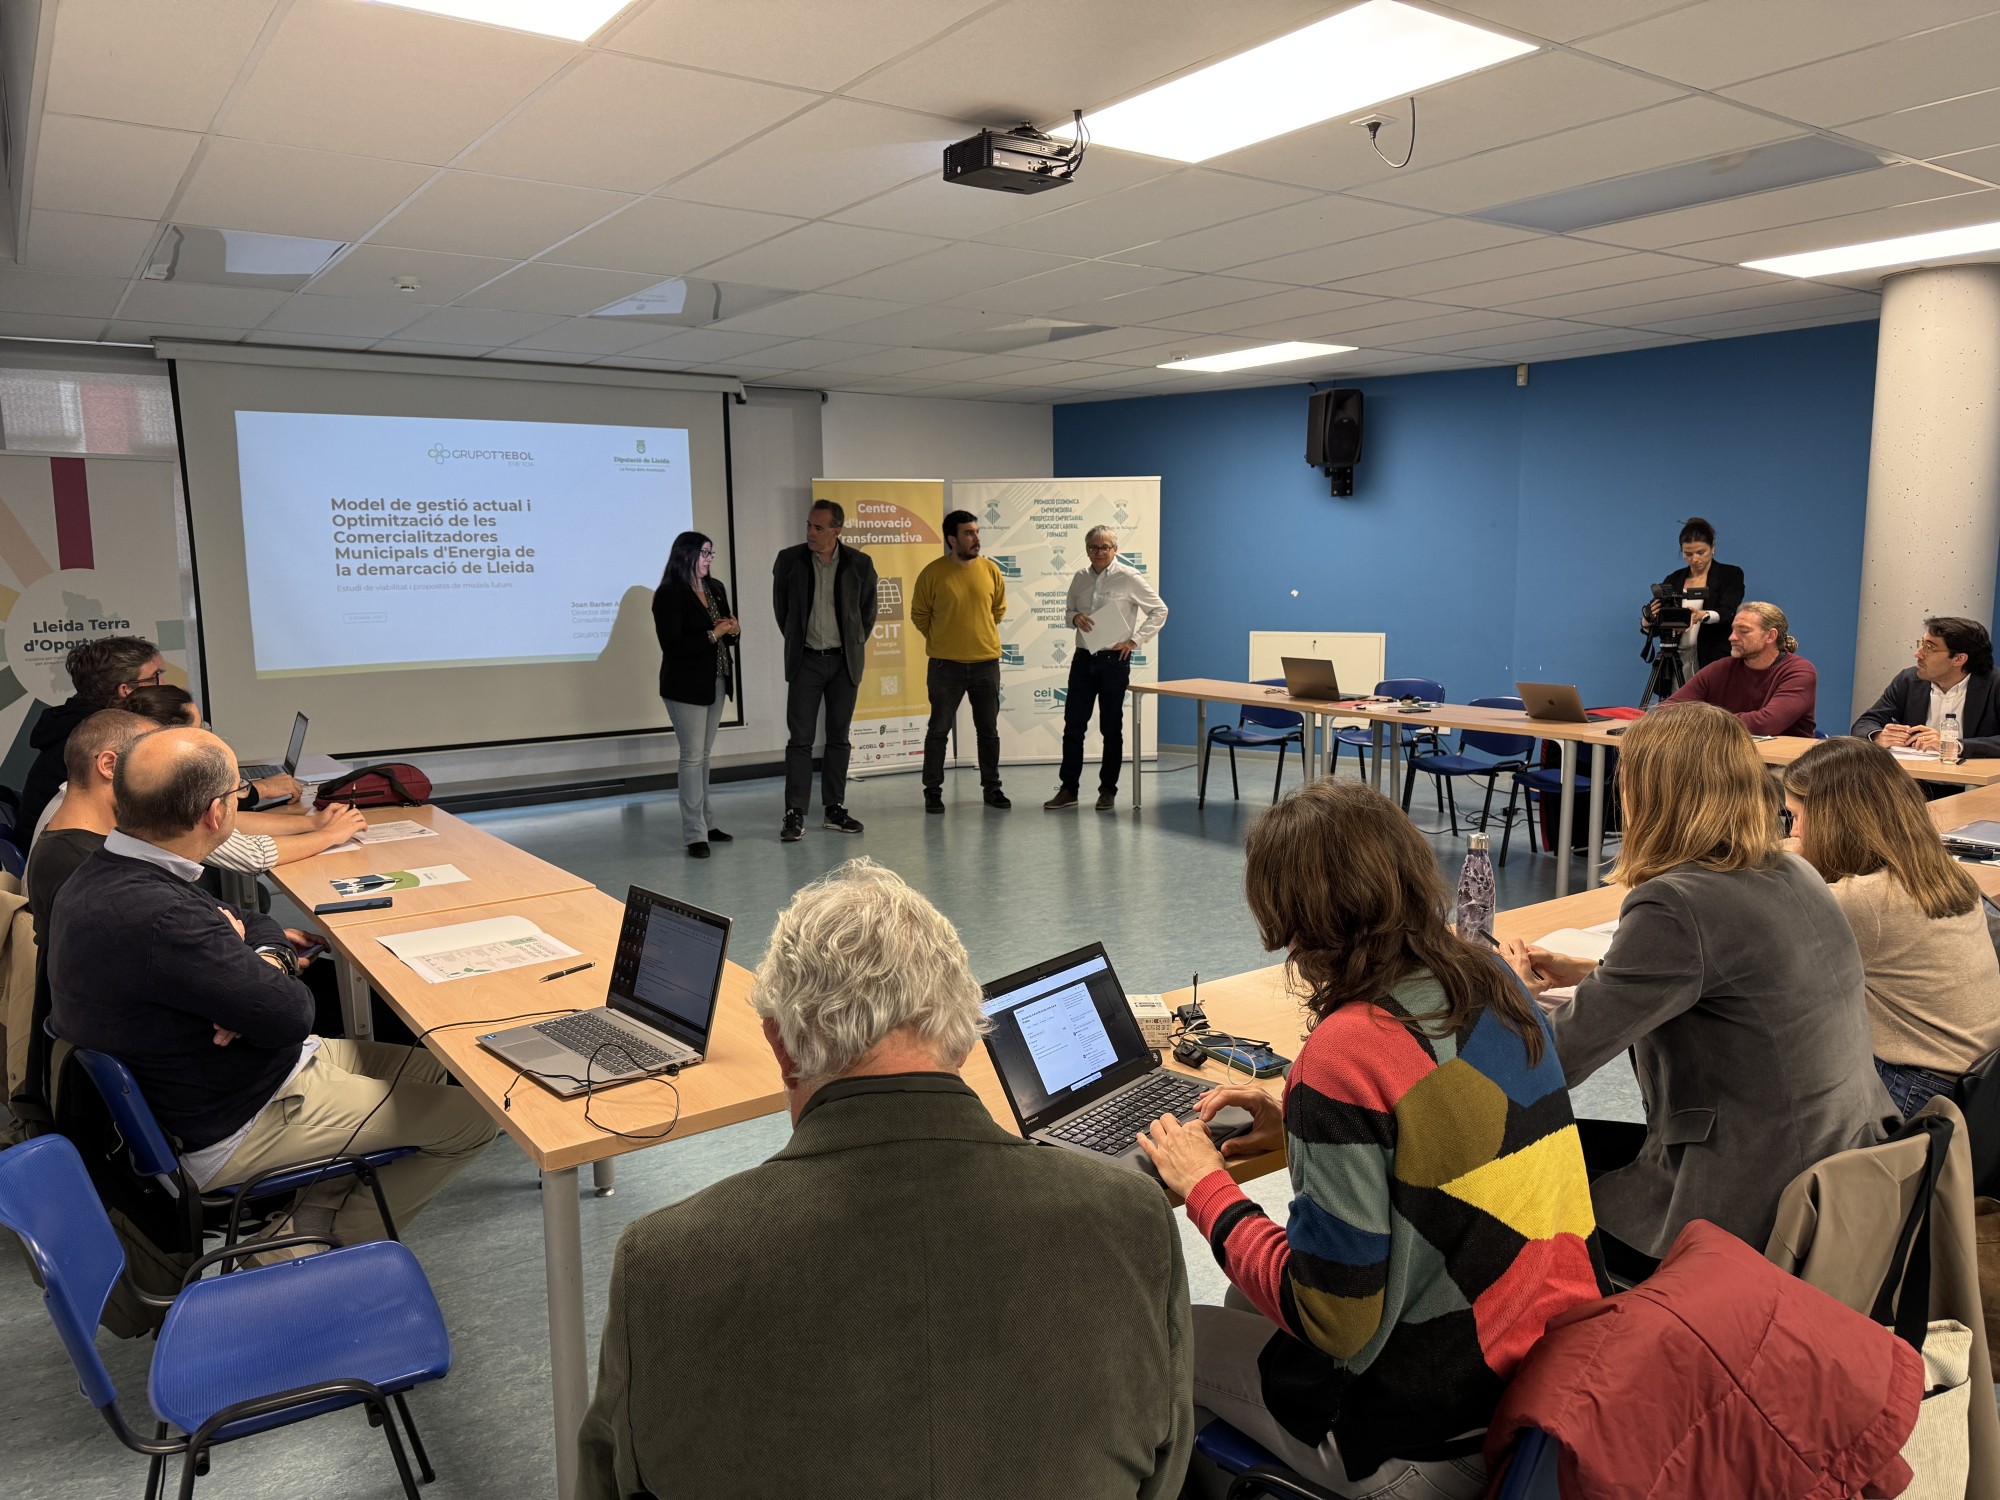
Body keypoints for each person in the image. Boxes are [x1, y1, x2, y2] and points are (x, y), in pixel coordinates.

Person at [577, 858, 1193, 1499]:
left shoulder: (662, 1262)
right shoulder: (1132, 1217)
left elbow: (609, 1480)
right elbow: (1164, 1471)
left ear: (781, 1045)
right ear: (964, 1034)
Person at [1138, 778, 1600, 1499]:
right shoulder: (1492, 977)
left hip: (1429, 1430)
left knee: (1157, 1343)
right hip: (1540, 1381)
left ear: (1290, 917)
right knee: (1240, 1302)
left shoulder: (1343, 1055)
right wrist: (1302, 1125)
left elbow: (1333, 1319)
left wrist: (1207, 1190)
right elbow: (1440, 1139)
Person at [47, 726, 496, 1249]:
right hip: (240, 1117)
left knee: (442, 1071)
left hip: (237, 1075)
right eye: (238, 792)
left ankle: (318, 1203)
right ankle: (321, 1252)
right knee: (474, 1120)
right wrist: (259, 969)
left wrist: (260, 957)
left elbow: (253, 922)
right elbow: (291, 1014)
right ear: (216, 813)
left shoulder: (114, 868)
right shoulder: (163, 914)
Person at [1500, 704, 1890, 1278]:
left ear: (1651, 794)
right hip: (1835, 1170)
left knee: (1503, 1176)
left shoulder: (1676, 903)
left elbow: (1552, 1062)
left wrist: (1508, 989)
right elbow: (1724, 982)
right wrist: (1590, 972)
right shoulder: (1792, 870)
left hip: (1744, 1202)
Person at [1781, 736, 2000, 1116]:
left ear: (1835, 821)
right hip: (1978, 1083)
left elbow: (1768, 908)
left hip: (1917, 1088)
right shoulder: (1939, 872)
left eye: (1797, 817)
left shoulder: (1864, 900)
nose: (1793, 833)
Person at [11, 708, 151, 1131]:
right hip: (127, 1078)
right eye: (152, 761)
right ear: (109, 765)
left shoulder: (71, 842)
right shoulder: (86, 868)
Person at [79, 683, 367, 869]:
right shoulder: (160, 788)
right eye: (198, 730)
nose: (205, 736)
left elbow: (229, 821)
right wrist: (330, 835)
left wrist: (313, 823)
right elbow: (252, 855)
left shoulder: (132, 777)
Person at [772, 498, 879, 843]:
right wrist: (800, 644)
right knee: (800, 740)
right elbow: (783, 612)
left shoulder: (859, 564)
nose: (810, 532)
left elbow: (867, 614)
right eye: (808, 525)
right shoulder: (789, 560)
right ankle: (794, 812)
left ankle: (834, 808)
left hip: (844, 663)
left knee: (838, 737)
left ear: (837, 530)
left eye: (818, 527)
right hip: (806, 661)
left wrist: (851, 645)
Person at [1046, 526, 1167, 812]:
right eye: (1093, 547)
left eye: (1105, 547)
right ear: (1087, 549)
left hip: (1114, 662)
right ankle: (1068, 789)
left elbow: (1159, 610)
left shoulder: (1129, 577)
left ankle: (1107, 790)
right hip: (1083, 659)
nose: (1099, 552)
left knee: (1111, 728)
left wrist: (1135, 640)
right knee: (1073, 726)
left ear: (1115, 549)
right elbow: (1068, 611)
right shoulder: (1080, 577)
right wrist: (1075, 617)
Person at [911, 510, 1009, 814]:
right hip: (945, 667)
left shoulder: (991, 570)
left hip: (986, 664)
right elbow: (920, 615)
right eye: (969, 533)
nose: (976, 538)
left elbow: (998, 610)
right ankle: (932, 791)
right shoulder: (932, 573)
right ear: (952, 539)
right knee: (938, 730)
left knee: (988, 731)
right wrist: (944, 640)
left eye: (977, 532)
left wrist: (976, 635)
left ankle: (992, 787)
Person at [19, 635, 167, 832]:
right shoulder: (103, 737)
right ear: (126, 690)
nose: (163, 683)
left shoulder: (71, 723)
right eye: (155, 676)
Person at [651, 531, 739, 859]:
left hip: (716, 680)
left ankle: (706, 823)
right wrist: (713, 634)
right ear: (685, 555)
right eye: (704, 553)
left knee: (704, 755)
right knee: (691, 756)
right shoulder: (669, 594)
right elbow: (673, 646)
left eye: (711, 553)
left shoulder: (715, 588)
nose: (709, 559)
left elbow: (727, 635)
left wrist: (733, 630)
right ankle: (694, 834)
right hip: (685, 685)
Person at [1851, 615, 2000, 759]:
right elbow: (1864, 723)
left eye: (1929, 648)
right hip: (1917, 774)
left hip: (1974, 775)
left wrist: (1954, 745)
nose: (1918, 654)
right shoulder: (1908, 680)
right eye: (1921, 644)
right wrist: (1878, 736)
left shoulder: (1995, 684)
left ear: (1959, 659)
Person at [1662, 600, 1816, 736]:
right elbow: (1666, 711)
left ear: (1770, 636)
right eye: (1733, 630)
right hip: (1734, 756)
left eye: (1744, 631)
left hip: (1787, 758)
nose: (1732, 637)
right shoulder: (1721, 668)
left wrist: (1703, 721)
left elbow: (1765, 724)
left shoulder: (1799, 671)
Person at [1642, 517, 1744, 684]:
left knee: (1710, 699)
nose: (1695, 559)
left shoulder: (1729, 575)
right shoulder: (1673, 579)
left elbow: (1727, 611)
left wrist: (1700, 615)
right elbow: (1662, 622)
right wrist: (1647, 622)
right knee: (1675, 700)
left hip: (1712, 656)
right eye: (1688, 554)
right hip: (1675, 656)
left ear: (1713, 548)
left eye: (1701, 552)